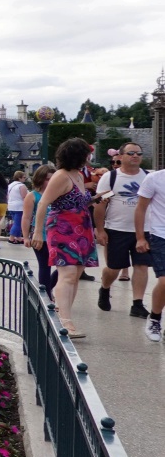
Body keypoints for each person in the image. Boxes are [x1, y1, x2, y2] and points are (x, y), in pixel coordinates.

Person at [30, 138, 99, 338]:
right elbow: (43, 203)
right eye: (87, 153)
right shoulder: (60, 176)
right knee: (67, 274)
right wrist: (37, 232)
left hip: (81, 228)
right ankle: (65, 322)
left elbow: (78, 200)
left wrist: (94, 198)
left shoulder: (76, 175)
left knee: (75, 275)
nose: (89, 157)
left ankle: (64, 316)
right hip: (63, 228)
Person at [95, 143, 149, 317]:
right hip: (116, 229)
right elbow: (100, 205)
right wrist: (100, 230)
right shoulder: (110, 178)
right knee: (114, 268)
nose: (135, 156)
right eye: (131, 153)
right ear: (121, 156)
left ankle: (137, 303)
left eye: (139, 153)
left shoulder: (148, 177)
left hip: (143, 230)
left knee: (141, 266)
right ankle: (105, 288)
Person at [133, 161, 165, 342]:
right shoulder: (154, 179)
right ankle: (154, 318)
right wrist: (140, 237)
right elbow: (141, 208)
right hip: (161, 235)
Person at [21, 165, 58, 299]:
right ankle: (46, 296)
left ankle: (47, 289)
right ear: (41, 179)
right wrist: (25, 237)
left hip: (59, 235)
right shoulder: (32, 196)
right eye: (48, 179)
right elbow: (26, 217)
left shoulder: (59, 194)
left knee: (65, 267)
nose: (51, 182)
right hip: (40, 236)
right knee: (45, 266)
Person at [5, 170, 28, 242]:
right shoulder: (21, 186)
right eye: (24, 177)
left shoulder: (10, 185)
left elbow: (7, 196)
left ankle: (18, 237)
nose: (25, 179)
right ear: (19, 178)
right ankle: (11, 238)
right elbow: (24, 197)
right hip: (19, 206)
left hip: (11, 205)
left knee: (16, 221)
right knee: (18, 223)